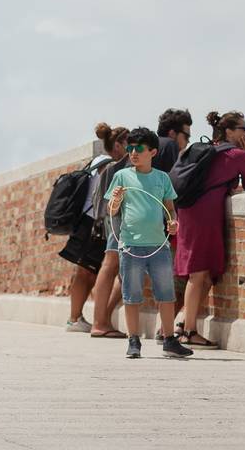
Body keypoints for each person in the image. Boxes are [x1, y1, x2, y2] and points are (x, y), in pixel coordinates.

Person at [174, 111, 245, 349]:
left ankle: (182, 323)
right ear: (229, 131)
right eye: (243, 129)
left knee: (203, 274)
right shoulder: (236, 155)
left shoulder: (202, 150)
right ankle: (189, 332)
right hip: (205, 216)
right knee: (198, 273)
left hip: (189, 211)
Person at [105, 127, 193, 359]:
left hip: (159, 246)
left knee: (166, 294)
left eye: (139, 148)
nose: (133, 153)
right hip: (130, 246)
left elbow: (170, 210)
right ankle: (133, 341)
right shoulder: (122, 177)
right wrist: (116, 200)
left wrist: (173, 224)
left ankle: (169, 340)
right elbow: (112, 211)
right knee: (131, 295)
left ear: (152, 152)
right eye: (130, 148)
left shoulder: (162, 178)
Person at [88, 123, 131, 338]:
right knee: (110, 264)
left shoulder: (113, 168)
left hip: (114, 222)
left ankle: (102, 318)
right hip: (118, 222)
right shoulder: (117, 168)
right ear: (118, 145)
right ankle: (99, 322)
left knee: (116, 268)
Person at [61, 153, 113, 332]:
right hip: (92, 223)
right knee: (85, 273)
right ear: (117, 145)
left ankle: (76, 317)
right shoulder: (107, 165)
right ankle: (74, 318)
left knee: (87, 273)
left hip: (85, 221)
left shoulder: (98, 161)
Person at [152, 108, 192, 340]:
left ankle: (162, 328)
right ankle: (165, 330)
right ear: (172, 132)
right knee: (174, 278)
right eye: (185, 136)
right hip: (165, 223)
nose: (187, 142)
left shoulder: (151, 146)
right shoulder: (168, 146)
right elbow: (172, 184)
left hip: (147, 222)